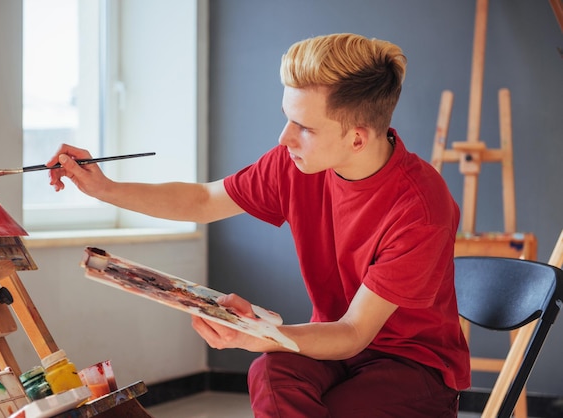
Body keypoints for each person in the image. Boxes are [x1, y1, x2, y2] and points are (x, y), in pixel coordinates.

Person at [47, 33, 470, 417]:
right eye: (288, 117)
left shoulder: (421, 208)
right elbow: (203, 199)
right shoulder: (296, 163)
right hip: (334, 347)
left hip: (413, 367)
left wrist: (264, 333)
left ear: (357, 138)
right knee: (270, 373)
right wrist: (104, 189)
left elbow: (356, 331)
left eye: (304, 126)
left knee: (336, 406)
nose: (285, 137)